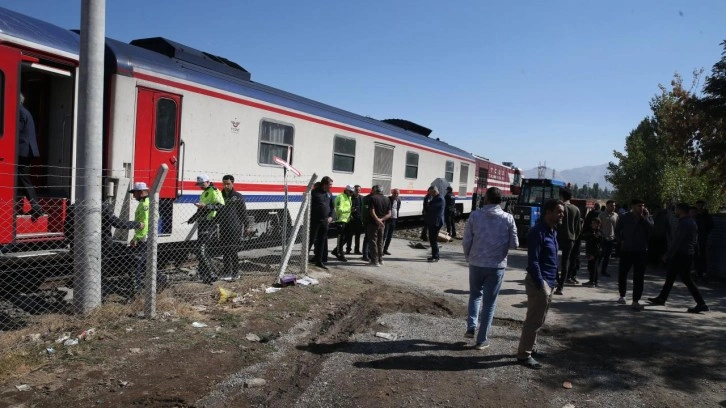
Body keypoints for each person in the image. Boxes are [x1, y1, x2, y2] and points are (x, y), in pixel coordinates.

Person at [463, 187, 518, 350]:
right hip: (496, 266)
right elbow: (515, 244)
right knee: (489, 303)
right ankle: (481, 340)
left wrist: (468, 257)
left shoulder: (475, 216)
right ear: (500, 200)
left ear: (486, 199)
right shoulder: (508, 218)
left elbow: (466, 241)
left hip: (476, 263)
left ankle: (471, 327)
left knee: (475, 295)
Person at [517, 199, 564, 369]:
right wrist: (541, 284)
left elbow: (552, 258)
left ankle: (531, 348)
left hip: (549, 281)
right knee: (534, 320)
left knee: (540, 318)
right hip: (539, 281)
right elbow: (533, 261)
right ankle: (524, 355)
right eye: (559, 211)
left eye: (562, 212)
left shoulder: (552, 230)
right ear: (548, 212)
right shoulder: (538, 231)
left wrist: (555, 279)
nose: (562, 215)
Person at [648, 203, 709, 313]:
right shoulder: (691, 221)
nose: (675, 211)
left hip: (681, 254)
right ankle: (662, 298)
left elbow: (677, 241)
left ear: (680, 210)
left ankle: (701, 303)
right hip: (685, 253)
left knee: (687, 279)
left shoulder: (684, 223)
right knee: (670, 277)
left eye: (676, 209)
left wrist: (667, 254)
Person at [615, 199, 653, 310]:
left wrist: (645, 218)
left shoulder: (646, 217)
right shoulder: (624, 217)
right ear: (633, 206)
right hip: (626, 250)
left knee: (639, 276)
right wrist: (621, 240)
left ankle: (635, 300)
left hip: (641, 250)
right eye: (639, 206)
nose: (641, 208)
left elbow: (652, 230)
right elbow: (617, 230)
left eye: (643, 205)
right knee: (623, 273)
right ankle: (622, 295)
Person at [187, 174, 225, 284]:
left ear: (208, 182)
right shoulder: (204, 193)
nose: (200, 186)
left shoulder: (214, 191)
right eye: (199, 184)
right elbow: (201, 209)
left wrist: (206, 206)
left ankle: (212, 273)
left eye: (202, 184)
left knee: (202, 249)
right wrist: (193, 218)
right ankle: (204, 273)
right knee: (200, 249)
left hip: (210, 222)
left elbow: (221, 206)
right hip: (202, 222)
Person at [16, 93, 44, 220]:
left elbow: (16, 130)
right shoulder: (25, 111)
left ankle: (36, 207)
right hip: (26, 150)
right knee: (21, 178)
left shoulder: (20, 112)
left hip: (23, 150)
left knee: (23, 178)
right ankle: (35, 206)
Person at [218, 175, 249, 279]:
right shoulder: (220, 196)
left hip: (234, 228)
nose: (226, 186)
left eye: (228, 184)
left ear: (232, 183)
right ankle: (227, 271)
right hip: (223, 227)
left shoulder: (238, 196)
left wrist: (246, 226)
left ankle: (235, 272)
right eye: (224, 184)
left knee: (233, 250)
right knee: (225, 251)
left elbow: (243, 212)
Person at [554, 189, 581, 294]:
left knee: (554, 260)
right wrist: (574, 237)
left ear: (561, 196)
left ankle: (556, 280)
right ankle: (560, 287)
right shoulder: (576, 209)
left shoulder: (560, 207)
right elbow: (578, 228)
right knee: (565, 262)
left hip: (558, 237)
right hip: (570, 239)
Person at [310, 176, 334, 269]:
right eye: (330, 184)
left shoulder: (329, 193)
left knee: (322, 241)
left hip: (325, 221)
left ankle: (319, 261)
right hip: (315, 221)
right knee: (311, 240)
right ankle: (303, 260)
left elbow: (332, 207)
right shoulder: (314, 193)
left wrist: (331, 216)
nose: (331, 186)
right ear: (325, 184)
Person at [366, 185, 391, 267]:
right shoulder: (387, 199)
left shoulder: (372, 198)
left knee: (373, 242)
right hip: (382, 224)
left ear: (375, 190)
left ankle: (374, 261)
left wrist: (377, 220)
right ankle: (380, 259)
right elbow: (389, 214)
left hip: (373, 223)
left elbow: (372, 211)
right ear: (382, 191)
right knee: (380, 242)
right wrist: (381, 220)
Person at [331, 185, 354, 262]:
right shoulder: (340, 197)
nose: (351, 193)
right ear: (346, 190)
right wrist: (349, 210)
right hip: (340, 220)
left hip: (347, 220)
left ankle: (336, 250)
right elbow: (339, 209)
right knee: (340, 238)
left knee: (347, 237)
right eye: (350, 192)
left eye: (352, 192)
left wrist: (350, 214)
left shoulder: (349, 197)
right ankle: (339, 253)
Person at [694, 200, 714, 282]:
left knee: (702, 255)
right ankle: (697, 272)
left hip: (702, 238)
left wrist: (704, 233)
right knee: (695, 255)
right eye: (697, 205)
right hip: (695, 237)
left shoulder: (706, 215)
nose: (699, 206)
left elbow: (711, 226)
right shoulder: (695, 214)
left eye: (700, 205)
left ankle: (703, 273)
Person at [425, 186, 445, 262]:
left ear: (434, 191)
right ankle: (434, 255)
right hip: (433, 221)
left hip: (436, 222)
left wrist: (428, 205)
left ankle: (436, 256)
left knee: (433, 239)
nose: (430, 194)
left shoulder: (439, 198)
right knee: (432, 239)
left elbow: (431, 208)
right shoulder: (436, 198)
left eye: (430, 192)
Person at [598, 200, 618, 277]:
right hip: (603, 238)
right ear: (607, 206)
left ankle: (604, 271)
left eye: (614, 205)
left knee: (607, 256)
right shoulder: (602, 215)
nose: (613, 207)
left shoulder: (616, 215)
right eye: (611, 205)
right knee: (600, 255)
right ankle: (594, 269)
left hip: (611, 239)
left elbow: (617, 227)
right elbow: (598, 226)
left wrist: (616, 237)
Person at [581, 217, 603, 287]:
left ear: (598, 224)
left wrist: (594, 254)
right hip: (589, 251)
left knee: (593, 267)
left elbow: (598, 245)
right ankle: (592, 281)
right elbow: (583, 235)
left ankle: (593, 281)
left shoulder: (599, 233)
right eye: (592, 223)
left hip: (595, 252)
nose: (592, 224)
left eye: (594, 223)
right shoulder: (590, 231)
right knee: (590, 266)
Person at [346, 185, 363, 255]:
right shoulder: (350, 197)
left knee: (357, 235)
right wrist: (350, 211)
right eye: (356, 190)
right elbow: (346, 208)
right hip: (351, 219)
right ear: (354, 190)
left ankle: (357, 250)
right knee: (349, 235)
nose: (358, 191)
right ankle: (348, 249)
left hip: (359, 220)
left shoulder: (362, 198)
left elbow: (363, 209)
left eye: (359, 190)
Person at [383, 188, 401, 255]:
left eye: (397, 193)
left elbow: (397, 209)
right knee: (384, 235)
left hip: (394, 219)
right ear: (392, 193)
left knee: (390, 236)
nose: (396, 194)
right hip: (387, 219)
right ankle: (380, 249)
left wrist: (397, 218)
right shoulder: (388, 199)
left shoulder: (398, 200)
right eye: (395, 193)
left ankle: (385, 249)